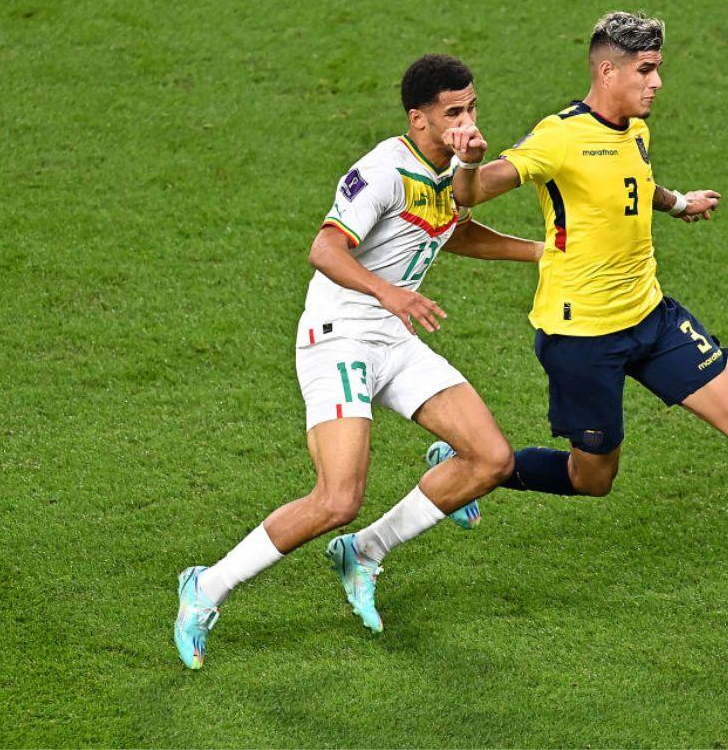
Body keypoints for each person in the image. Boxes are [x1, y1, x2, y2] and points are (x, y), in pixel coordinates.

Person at [445, 12, 728, 614]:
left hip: (652, 316)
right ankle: (475, 469)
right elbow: (471, 195)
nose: (657, 82)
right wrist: (470, 159)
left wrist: (678, 202)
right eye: (646, 70)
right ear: (607, 70)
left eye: (658, 68)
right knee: (594, 479)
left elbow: (633, 179)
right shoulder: (557, 137)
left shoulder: (635, 126)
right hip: (581, 336)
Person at [174, 54, 544, 669]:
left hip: (393, 340)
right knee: (336, 498)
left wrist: (542, 253)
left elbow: (455, 229)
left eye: (472, 107)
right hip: (340, 337)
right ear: (417, 119)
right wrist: (389, 292)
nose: (468, 122)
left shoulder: (449, 169)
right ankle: (204, 588)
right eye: (454, 113)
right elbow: (325, 247)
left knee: (491, 458)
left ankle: (365, 551)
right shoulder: (382, 171)